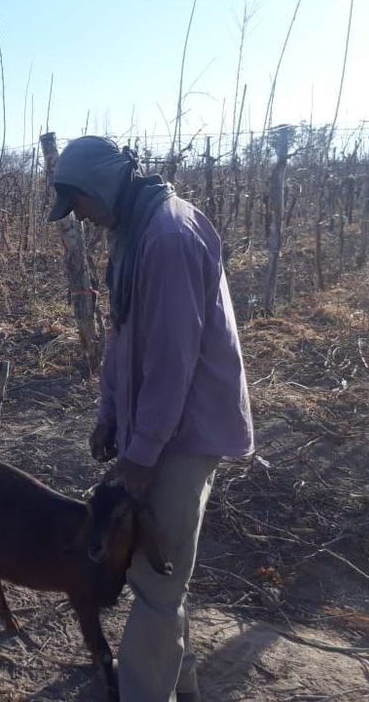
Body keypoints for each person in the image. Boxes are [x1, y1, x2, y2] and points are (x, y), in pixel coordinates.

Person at [47, 136, 254, 702]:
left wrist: (141, 455)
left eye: (81, 204)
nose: (82, 218)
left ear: (103, 187)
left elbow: (171, 362)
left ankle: (139, 693)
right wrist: (109, 413)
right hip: (157, 424)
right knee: (161, 566)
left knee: (159, 578)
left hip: (186, 430)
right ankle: (179, 682)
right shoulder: (134, 232)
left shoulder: (166, 236)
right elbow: (124, 336)